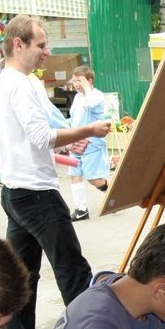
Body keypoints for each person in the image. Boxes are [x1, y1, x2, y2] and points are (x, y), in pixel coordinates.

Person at [0, 14, 111, 329]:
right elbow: (41, 136)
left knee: (21, 277)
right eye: (41, 45)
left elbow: (33, 138)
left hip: (16, 191)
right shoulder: (21, 84)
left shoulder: (8, 80)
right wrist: (87, 131)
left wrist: (65, 144)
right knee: (72, 269)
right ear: (18, 44)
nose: (47, 52)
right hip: (37, 194)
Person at [67, 66, 111, 222]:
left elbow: (92, 104)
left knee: (93, 178)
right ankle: (81, 209)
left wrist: (87, 87)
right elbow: (73, 118)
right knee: (74, 175)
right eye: (74, 81)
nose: (76, 84)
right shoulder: (78, 97)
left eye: (79, 80)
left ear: (89, 80)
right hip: (76, 143)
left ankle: (111, 191)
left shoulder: (96, 95)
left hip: (92, 144)